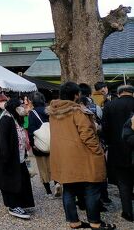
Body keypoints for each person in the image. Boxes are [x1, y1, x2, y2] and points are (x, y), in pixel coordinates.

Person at [48, 81, 115, 230]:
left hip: (63, 157)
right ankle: (95, 223)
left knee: (69, 189)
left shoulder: (53, 113)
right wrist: (98, 151)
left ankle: (74, 222)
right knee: (91, 188)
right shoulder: (77, 111)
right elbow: (87, 135)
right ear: (76, 95)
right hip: (82, 156)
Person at [0, 98, 35, 220]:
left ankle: (21, 202)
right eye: (20, 105)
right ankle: (13, 206)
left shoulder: (15, 118)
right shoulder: (6, 119)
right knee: (10, 181)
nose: (23, 107)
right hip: (10, 158)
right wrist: (6, 158)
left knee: (22, 179)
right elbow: (3, 141)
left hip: (19, 155)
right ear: (14, 107)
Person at [102, 84, 134, 222]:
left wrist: (109, 143)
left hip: (117, 148)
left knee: (123, 182)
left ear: (119, 93)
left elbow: (105, 128)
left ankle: (127, 212)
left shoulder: (110, 105)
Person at [27, 91, 61, 198]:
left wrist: (33, 144)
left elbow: (31, 130)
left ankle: (48, 192)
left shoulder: (32, 114)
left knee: (43, 168)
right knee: (54, 164)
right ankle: (57, 184)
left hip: (40, 144)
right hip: (54, 142)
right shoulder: (50, 111)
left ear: (32, 102)